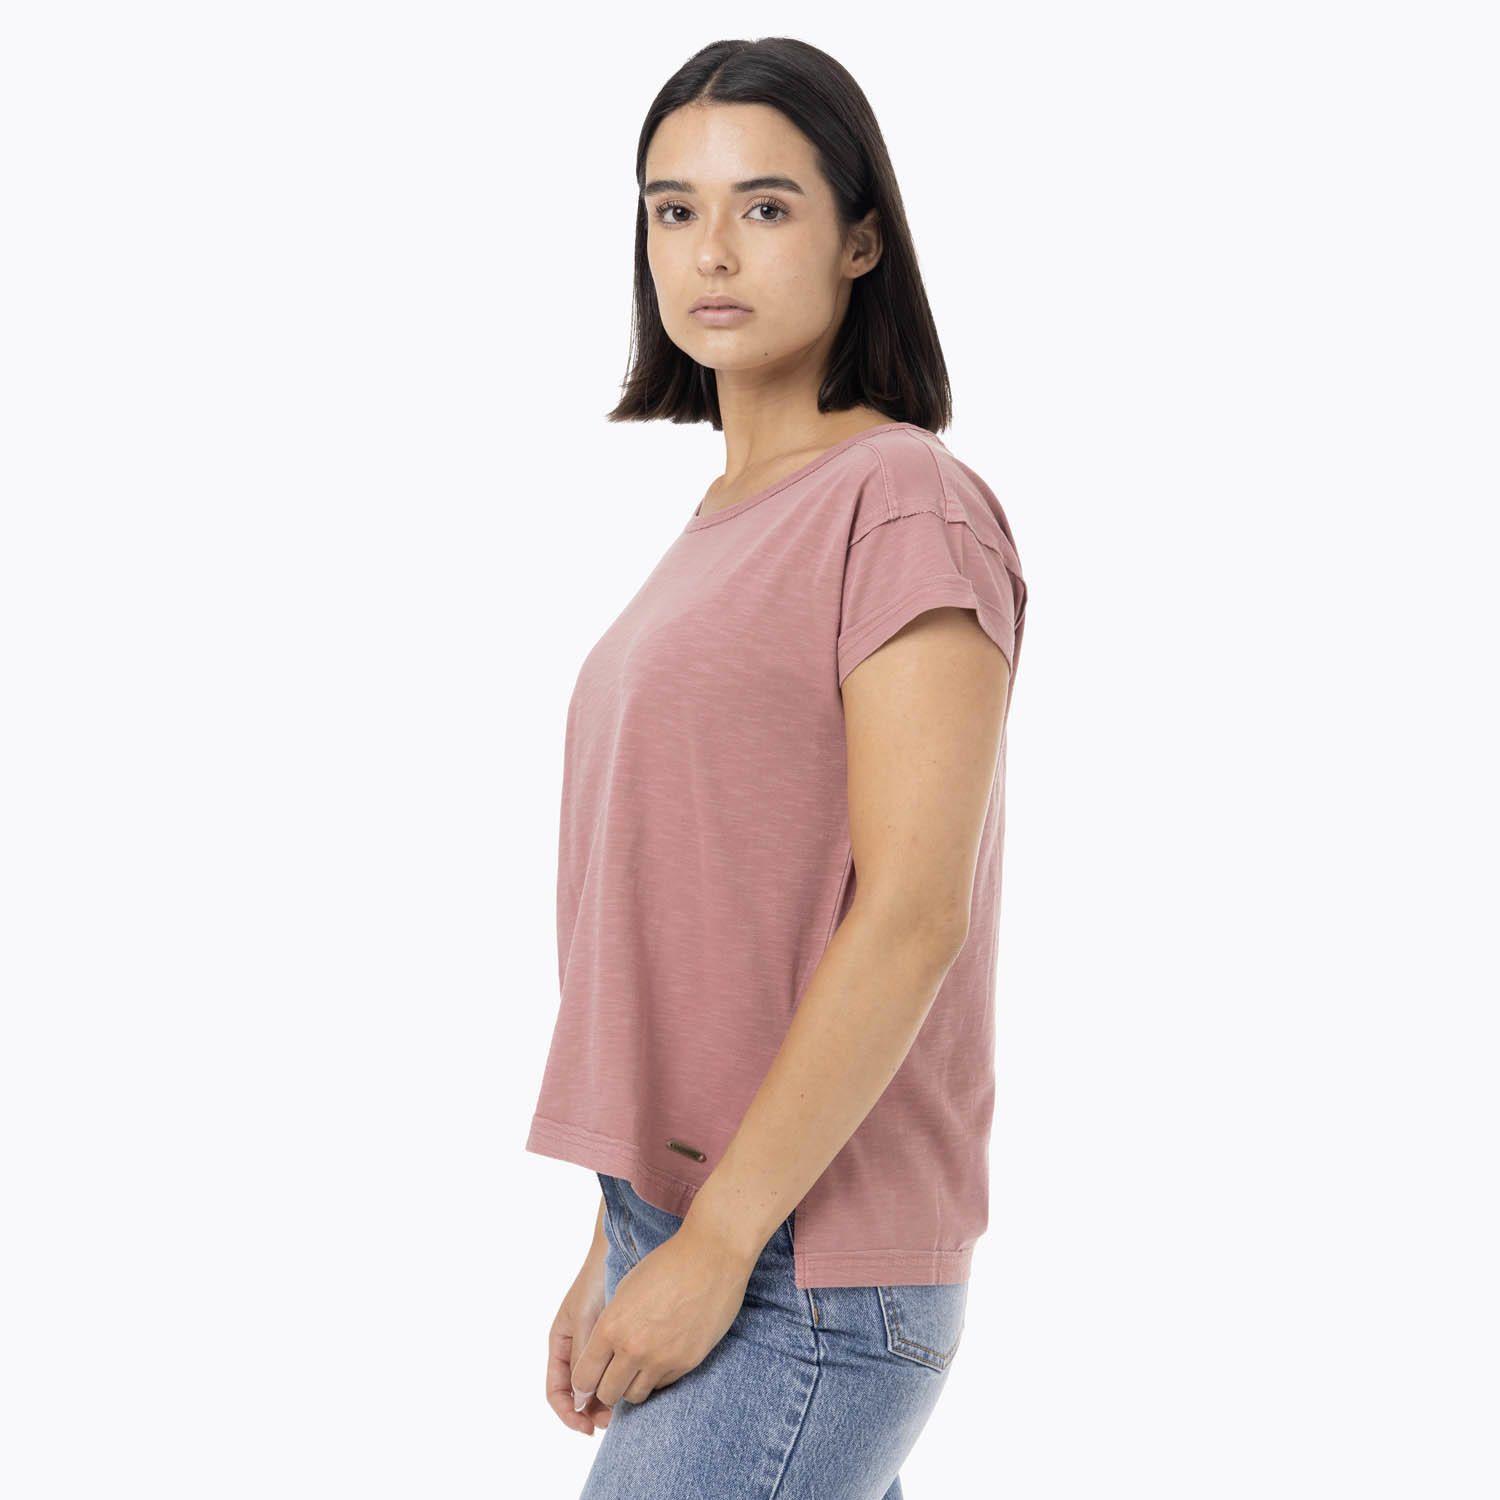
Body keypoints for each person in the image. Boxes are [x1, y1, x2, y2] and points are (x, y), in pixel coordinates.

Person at [524, 36, 1029, 1498]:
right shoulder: (725, 517)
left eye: (766, 205)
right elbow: (711, 920)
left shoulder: (905, 500)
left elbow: (911, 914)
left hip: (805, 1264)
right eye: (673, 209)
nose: (711, 250)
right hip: (700, 1228)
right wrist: (620, 1235)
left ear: (861, 238)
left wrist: (722, 1240)